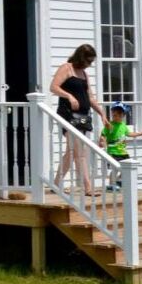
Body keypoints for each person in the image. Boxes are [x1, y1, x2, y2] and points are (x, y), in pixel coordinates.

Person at [49, 44, 107, 195]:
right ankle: (88, 187)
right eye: (88, 61)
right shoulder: (66, 68)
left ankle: (55, 184)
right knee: (80, 152)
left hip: (83, 117)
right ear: (81, 57)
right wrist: (69, 96)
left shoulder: (84, 74)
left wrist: (102, 113)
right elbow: (54, 87)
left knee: (71, 152)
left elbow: (90, 97)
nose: (90, 64)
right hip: (68, 115)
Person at [100, 103, 142, 190]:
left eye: (119, 115)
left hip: (123, 152)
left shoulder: (123, 125)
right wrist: (102, 141)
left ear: (123, 116)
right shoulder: (110, 125)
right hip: (113, 151)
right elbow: (103, 134)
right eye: (114, 115)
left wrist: (140, 133)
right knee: (115, 168)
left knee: (126, 168)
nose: (116, 117)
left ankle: (118, 180)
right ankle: (111, 184)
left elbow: (129, 134)